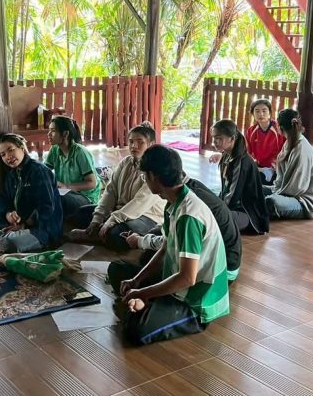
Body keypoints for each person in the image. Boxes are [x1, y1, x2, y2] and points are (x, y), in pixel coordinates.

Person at [107, 145, 230, 345]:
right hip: (175, 277)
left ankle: (150, 306)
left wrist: (142, 293)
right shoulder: (173, 202)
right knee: (117, 270)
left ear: (153, 176)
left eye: (144, 176)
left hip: (196, 298)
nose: (145, 180)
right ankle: (147, 303)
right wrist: (137, 281)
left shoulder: (188, 217)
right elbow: (165, 248)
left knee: (135, 330)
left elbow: (187, 278)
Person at [68, 122, 164, 250]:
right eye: (131, 142)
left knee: (117, 234)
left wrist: (112, 219)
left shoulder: (155, 169)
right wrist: (98, 218)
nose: (134, 146)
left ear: (151, 144)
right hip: (119, 211)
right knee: (81, 214)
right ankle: (99, 233)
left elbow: (139, 202)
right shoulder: (125, 162)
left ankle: (96, 235)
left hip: (146, 216)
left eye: (140, 142)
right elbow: (110, 190)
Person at [129, 175, 242, 282]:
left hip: (221, 272)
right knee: (155, 236)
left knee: (146, 258)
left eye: (145, 176)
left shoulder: (188, 210)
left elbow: (173, 246)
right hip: (228, 261)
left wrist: (140, 241)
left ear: (154, 177)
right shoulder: (189, 188)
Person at [0, 134, 62, 253]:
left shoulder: (39, 171)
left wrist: (24, 225)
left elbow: (46, 207)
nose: (8, 156)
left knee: (9, 242)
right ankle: (10, 236)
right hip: (19, 223)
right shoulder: (13, 174)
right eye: (3, 154)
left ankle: (10, 238)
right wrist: (8, 213)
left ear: (22, 148)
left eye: (11, 150)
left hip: (41, 228)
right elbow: (3, 199)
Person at [264, 109, 313, 219]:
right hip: (286, 193)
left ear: (279, 127)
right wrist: (274, 191)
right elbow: (280, 180)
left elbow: (297, 188)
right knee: (256, 188)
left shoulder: (301, 149)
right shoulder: (289, 142)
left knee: (271, 202)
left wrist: (274, 194)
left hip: (304, 201)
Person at [212, 119, 269, 234]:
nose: (215, 141)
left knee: (211, 218)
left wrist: (217, 209)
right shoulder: (226, 156)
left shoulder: (242, 162)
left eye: (219, 138)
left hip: (247, 213)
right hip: (231, 208)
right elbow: (225, 190)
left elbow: (233, 197)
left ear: (232, 138)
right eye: (214, 137)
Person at [45, 116, 101, 220]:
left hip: (85, 198)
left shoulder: (80, 152)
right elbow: (44, 171)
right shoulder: (55, 150)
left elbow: (91, 183)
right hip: (66, 192)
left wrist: (66, 186)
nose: (49, 134)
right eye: (49, 130)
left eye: (53, 131)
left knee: (57, 198)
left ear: (65, 134)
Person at [245, 99, 285, 184]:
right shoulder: (251, 131)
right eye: (257, 111)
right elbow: (247, 153)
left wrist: (276, 165)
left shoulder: (279, 129)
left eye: (264, 111)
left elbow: (287, 150)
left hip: (277, 168)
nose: (261, 114)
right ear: (253, 113)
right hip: (260, 168)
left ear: (269, 113)